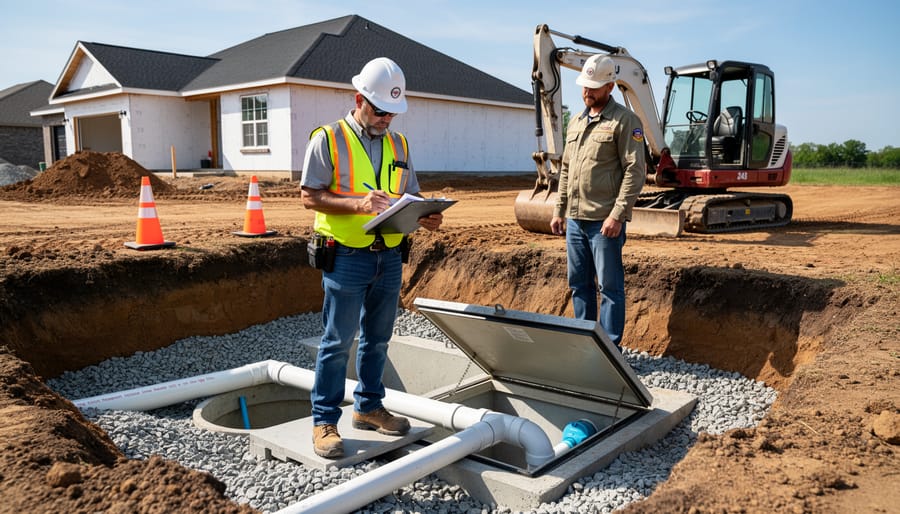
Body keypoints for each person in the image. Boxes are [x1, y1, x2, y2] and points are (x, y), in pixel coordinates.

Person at [300, 57, 443, 459]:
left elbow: (407, 194)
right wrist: (357, 205)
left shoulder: (399, 144)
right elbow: (309, 196)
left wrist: (424, 215)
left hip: (390, 256)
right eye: (380, 110)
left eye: (393, 113)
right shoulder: (327, 139)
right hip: (346, 256)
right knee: (336, 342)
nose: (386, 119)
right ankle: (324, 421)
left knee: (378, 340)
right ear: (358, 98)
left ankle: (368, 407)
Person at [549, 55, 646, 347]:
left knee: (610, 288)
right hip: (576, 222)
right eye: (584, 86)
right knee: (579, 285)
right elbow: (566, 169)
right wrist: (559, 209)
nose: (587, 92)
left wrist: (617, 214)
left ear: (611, 86)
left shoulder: (626, 121)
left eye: (593, 87)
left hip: (604, 222)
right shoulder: (576, 122)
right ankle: (585, 345)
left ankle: (610, 350)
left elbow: (635, 170)